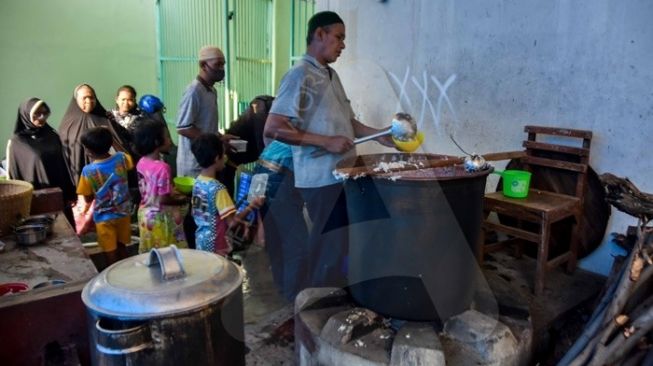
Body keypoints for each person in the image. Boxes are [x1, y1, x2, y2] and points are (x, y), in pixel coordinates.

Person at [264, 11, 395, 289]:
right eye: (339, 37)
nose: (343, 45)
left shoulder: (331, 75)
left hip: (341, 174)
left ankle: (328, 296)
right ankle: (317, 306)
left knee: (339, 242)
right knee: (329, 244)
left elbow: (348, 122)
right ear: (320, 34)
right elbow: (274, 127)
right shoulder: (299, 75)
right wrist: (326, 141)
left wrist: (381, 135)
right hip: (319, 177)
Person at [6, 98, 77, 228]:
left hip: (59, 193)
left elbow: (63, 165)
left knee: (65, 232)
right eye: (37, 114)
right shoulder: (17, 143)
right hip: (35, 197)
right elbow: (13, 176)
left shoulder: (52, 135)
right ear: (26, 115)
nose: (42, 117)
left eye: (45, 113)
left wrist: (70, 192)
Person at [253, 140, 309, 301]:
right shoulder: (321, 122)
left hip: (262, 168)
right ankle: (293, 300)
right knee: (298, 246)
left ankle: (283, 288)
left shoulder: (289, 119)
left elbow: (266, 135)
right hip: (281, 175)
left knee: (275, 240)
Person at [190, 133, 260, 256]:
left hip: (201, 240)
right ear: (217, 158)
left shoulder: (198, 182)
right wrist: (252, 206)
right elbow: (232, 222)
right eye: (224, 154)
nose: (226, 157)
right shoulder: (218, 189)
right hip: (217, 244)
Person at [76, 127, 133, 266]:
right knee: (122, 245)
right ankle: (128, 271)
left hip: (104, 217)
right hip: (123, 213)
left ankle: (113, 275)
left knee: (109, 251)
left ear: (89, 151)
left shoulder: (88, 171)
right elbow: (129, 159)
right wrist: (114, 141)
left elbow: (87, 196)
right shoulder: (121, 158)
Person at [176, 45, 234, 178]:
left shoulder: (211, 91)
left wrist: (220, 137)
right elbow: (183, 128)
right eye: (218, 64)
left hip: (207, 164)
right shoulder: (194, 91)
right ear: (203, 65)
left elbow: (204, 125)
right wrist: (214, 142)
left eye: (223, 64)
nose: (221, 69)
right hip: (193, 164)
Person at [133, 118, 188, 253]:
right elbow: (164, 199)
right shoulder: (163, 167)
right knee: (167, 255)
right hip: (160, 219)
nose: (170, 141)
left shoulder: (141, 162)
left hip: (144, 214)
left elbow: (151, 188)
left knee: (151, 253)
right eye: (167, 137)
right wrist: (183, 199)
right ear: (157, 142)